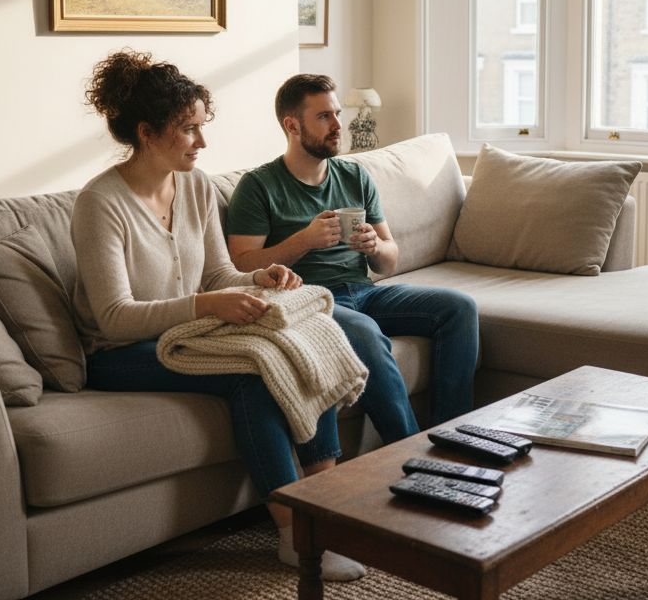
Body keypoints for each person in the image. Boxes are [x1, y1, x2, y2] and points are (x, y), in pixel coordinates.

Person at [71, 52, 365, 582]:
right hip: (120, 354)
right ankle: (296, 538)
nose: (202, 143)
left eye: (202, 127)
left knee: (306, 336)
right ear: (147, 132)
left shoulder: (199, 186)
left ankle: (325, 510)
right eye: (189, 130)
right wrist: (209, 306)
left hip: (189, 333)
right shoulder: (101, 203)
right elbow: (114, 318)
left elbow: (216, 278)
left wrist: (260, 278)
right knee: (253, 373)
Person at [225, 73, 480, 442]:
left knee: (459, 308)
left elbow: (390, 261)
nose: (337, 126)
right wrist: (304, 241)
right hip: (309, 301)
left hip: (364, 291)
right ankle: (407, 451)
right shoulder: (259, 186)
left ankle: (451, 438)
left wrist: (375, 246)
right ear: (291, 125)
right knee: (366, 333)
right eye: (324, 117)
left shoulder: (354, 175)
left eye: (337, 114)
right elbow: (240, 267)